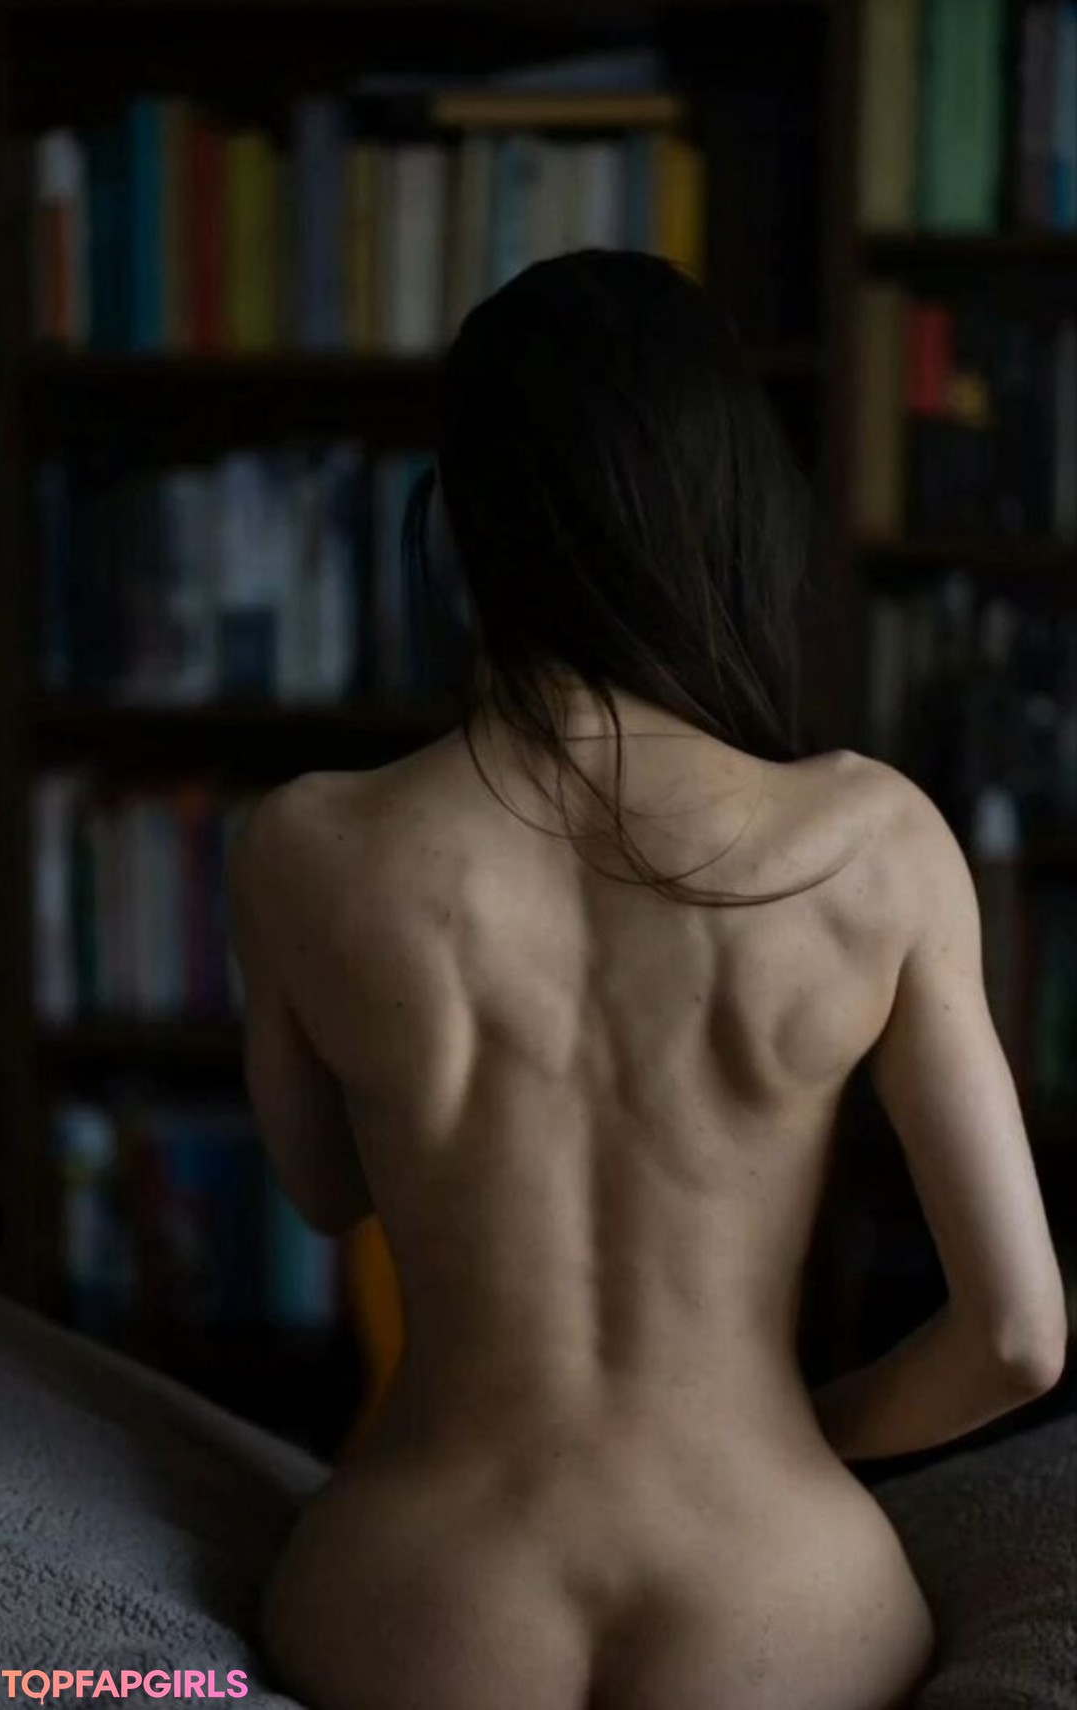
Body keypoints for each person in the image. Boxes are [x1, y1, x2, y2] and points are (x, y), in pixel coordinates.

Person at [227, 251, 1067, 1710]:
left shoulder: (306, 845)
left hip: (415, 1603)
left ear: (463, 519)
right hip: (782, 1606)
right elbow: (1016, 1337)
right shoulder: (877, 841)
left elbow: (323, 1188)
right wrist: (790, 1438)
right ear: (727, 509)